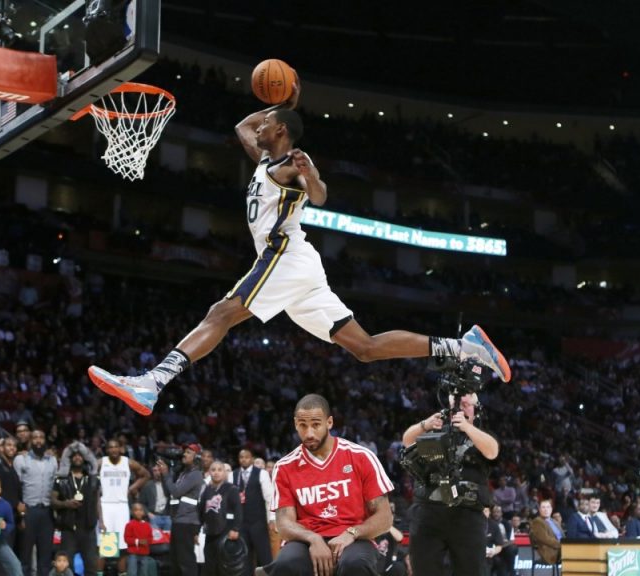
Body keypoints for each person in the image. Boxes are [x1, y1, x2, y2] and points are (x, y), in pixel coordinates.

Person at [86, 85, 511, 417]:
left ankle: (153, 383)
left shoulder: (292, 162)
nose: (261, 126)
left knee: (222, 313)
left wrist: (310, 174)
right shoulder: (262, 160)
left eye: (269, 122)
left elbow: (321, 196)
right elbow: (241, 127)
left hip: (284, 257)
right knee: (363, 348)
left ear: (282, 132)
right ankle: (464, 347)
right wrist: (284, 101)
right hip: (300, 269)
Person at [261, 394, 393, 576]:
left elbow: (385, 518)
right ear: (295, 424)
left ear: (329, 422)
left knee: (355, 564)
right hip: (305, 540)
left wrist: (352, 533)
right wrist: (313, 538)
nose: (309, 433)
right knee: (286, 564)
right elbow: (283, 524)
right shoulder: (284, 467)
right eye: (302, 425)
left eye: (316, 424)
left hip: (353, 538)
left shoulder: (361, 456)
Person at [401, 391, 498, 575]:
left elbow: (493, 451)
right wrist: (425, 425)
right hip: (428, 512)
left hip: (467, 514)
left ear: (476, 410)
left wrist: (467, 428)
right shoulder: (436, 429)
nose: (460, 409)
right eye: (457, 405)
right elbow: (407, 440)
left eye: (466, 405)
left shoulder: (482, 434)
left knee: (471, 571)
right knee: (424, 569)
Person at [98, 437, 150, 573]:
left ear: (121, 449)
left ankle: (122, 573)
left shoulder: (128, 463)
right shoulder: (101, 463)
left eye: (116, 446)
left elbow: (146, 475)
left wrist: (132, 488)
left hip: (121, 507)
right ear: (106, 450)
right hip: (106, 505)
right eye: (110, 447)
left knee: (122, 547)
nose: (113, 449)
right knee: (105, 547)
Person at [14, 429, 57, 576]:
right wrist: (20, 512)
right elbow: (16, 486)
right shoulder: (21, 460)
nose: (38, 440)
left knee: (45, 555)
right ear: (30, 441)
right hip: (28, 510)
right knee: (25, 555)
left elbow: (54, 484)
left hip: (47, 511)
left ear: (45, 440)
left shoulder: (53, 460)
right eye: (35, 438)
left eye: (41, 437)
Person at [51, 448, 100, 576]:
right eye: (75, 456)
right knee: (68, 567)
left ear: (85, 459)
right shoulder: (61, 479)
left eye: (80, 456)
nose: (77, 458)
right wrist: (65, 503)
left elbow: (97, 501)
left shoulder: (93, 479)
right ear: (70, 459)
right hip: (69, 528)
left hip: (88, 528)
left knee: (91, 566)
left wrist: (102, 520)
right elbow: (52, 501)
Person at [165, 444, 204, 576]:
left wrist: (166, 475)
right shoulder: (183, 473)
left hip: (187, 521)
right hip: (178, 519)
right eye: (184, 452)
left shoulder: (196, 474)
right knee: (175, 559)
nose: (184, 454)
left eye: (188, 452)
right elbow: (170, 492)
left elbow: (176, 492)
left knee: (185, 560)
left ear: (196, 457)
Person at [233, 449, 273, 576]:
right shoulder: (233, 475)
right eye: (241, 457)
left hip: (258, 521)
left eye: (246, 457)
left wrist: (271, 518)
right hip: (241, 523)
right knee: (244, 557)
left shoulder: (261, 473)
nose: (244, 459)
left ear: (252, 458)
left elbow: (269, 497)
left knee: (264, 555)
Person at [199, 461, 242, 576]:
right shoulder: (207, 490)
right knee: (209, 563)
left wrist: (235, 529)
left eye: (219, 470)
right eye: (213, 470)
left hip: (226, 531)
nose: (216, 472)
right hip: (210, 532)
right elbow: (200, 511)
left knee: (224, 565)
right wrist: (196, 530)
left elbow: (238, 510)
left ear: (224, 473)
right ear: (209, 472)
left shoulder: (231, 489)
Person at [138, 459, 171, 531]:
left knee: (167, 539)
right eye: (154, 471)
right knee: (155, 539)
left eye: (158, 470)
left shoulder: (169, 484)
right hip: (154, 516)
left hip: (167, 516)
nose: (157, 473)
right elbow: (141, 502)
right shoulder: (148, 485)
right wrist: (148, 513)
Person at [123, 503, 153, 576]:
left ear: (143, 512)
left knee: (144, 573)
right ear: (132, 512)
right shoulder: (130, 525)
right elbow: (126, 539)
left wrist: (147, 541)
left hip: (144, 554)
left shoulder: (147, 525)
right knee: (132, 573)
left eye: (140, 510)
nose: (139, 512)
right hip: (133, 554)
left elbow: (150, 538)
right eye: (136, 510)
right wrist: (138, 541)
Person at [528, 500, 562, 566]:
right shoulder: (537, 522)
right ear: (539, 510)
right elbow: (546, 539)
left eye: (548, 507)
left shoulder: (554, 522)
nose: (546, 509)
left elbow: (563, 536)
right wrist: (562, 545)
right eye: (543, 507)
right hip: (550, 552)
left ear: (551, 509)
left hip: (561, 550)